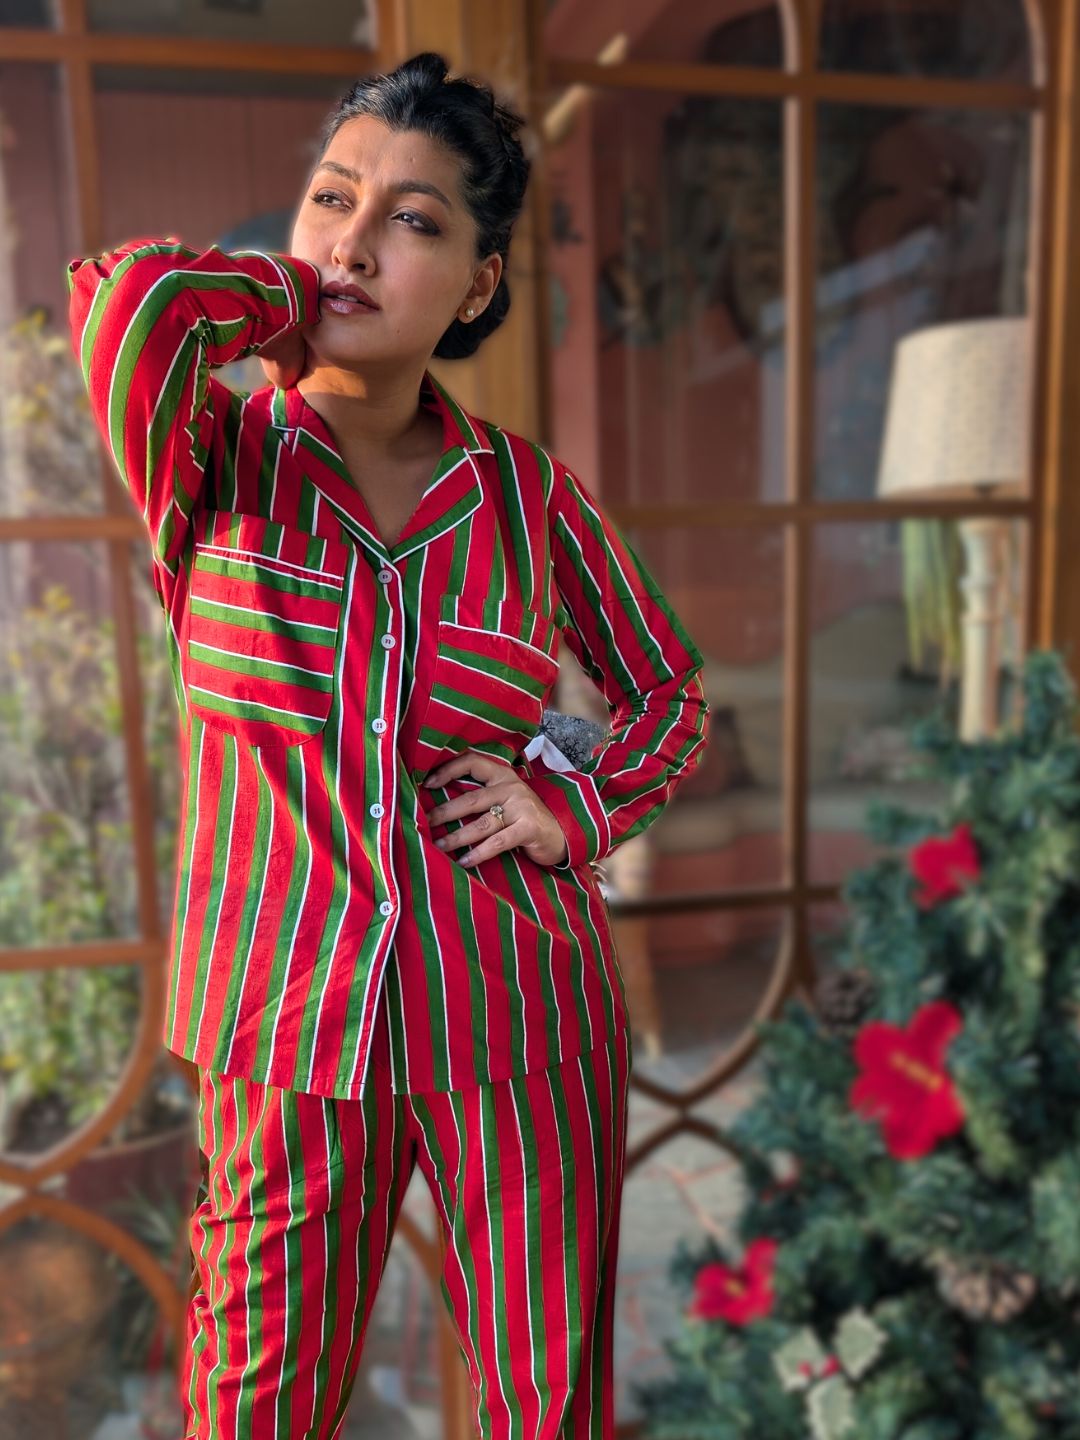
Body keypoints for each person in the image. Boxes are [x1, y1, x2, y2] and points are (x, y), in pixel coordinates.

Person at [67, 50, 710, 1440]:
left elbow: (667, 695)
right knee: (253, 1404)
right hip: (282, 1027)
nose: (355, 238)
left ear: (479, 284)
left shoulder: (530, 497)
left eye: (414, 221)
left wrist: (565, 806)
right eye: (330, 198)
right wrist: (295, 291)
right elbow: (134, 304)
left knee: (548, 1403)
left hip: (521, 1015)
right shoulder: (215, 461)